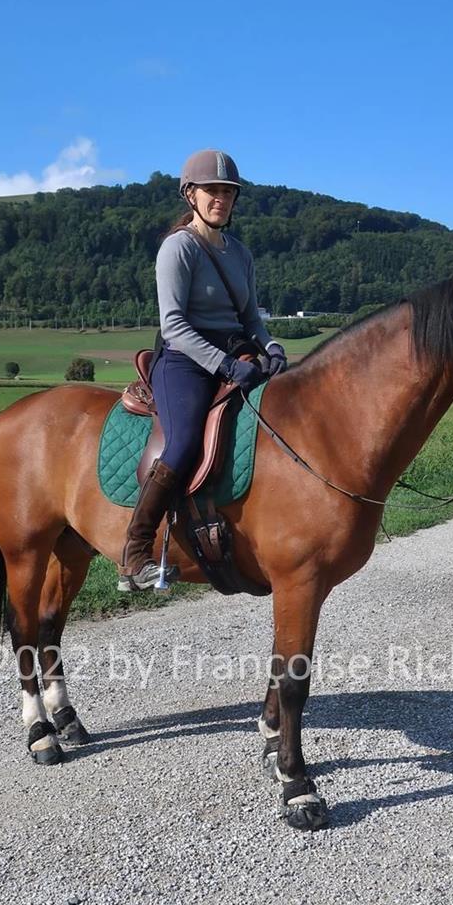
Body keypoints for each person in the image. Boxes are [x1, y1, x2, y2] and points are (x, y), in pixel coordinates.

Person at [118, 149, 287, 591]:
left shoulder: (241, 254)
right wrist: (225, 363)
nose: (221, 199)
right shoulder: (178, 248)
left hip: (236, 355)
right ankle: (134, 553)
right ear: (190, 194)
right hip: (185, 361)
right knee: (184, 442)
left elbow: (251, 318)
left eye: (229, 192)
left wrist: (269, 346)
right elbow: (173, 325)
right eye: (212, 190)